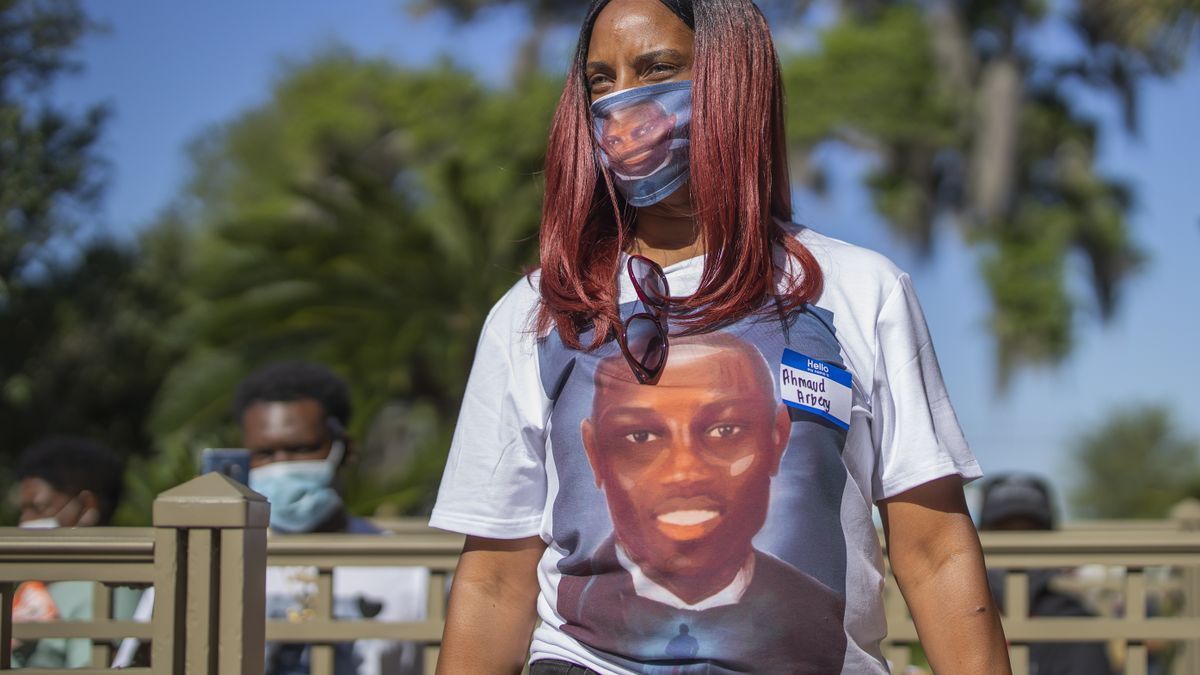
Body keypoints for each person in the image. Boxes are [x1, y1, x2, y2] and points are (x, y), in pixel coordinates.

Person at [429, 0, 1010, 673]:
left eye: (657, 70)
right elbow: (496, 580)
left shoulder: (858, 290)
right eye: (601, 82)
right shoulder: (537, 313)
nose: (623, 104)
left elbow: (934, 547)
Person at [236, 361, 427, 675]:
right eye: (265, 454)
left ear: (345, 449)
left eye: (301, 449)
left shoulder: (409, 572)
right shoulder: (213, 564)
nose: (282, 467)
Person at [11, 437, 142, 669]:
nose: (25, 521)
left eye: (38, 508)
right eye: (24, 510)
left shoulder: (105, 589)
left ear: (86, 507)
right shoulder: (37, 583)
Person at [978, 474, 1117, 675]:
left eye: (1030, 532)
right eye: (1003, 530)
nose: (1017, 544)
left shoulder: (1076, 621)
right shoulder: (956, 613)